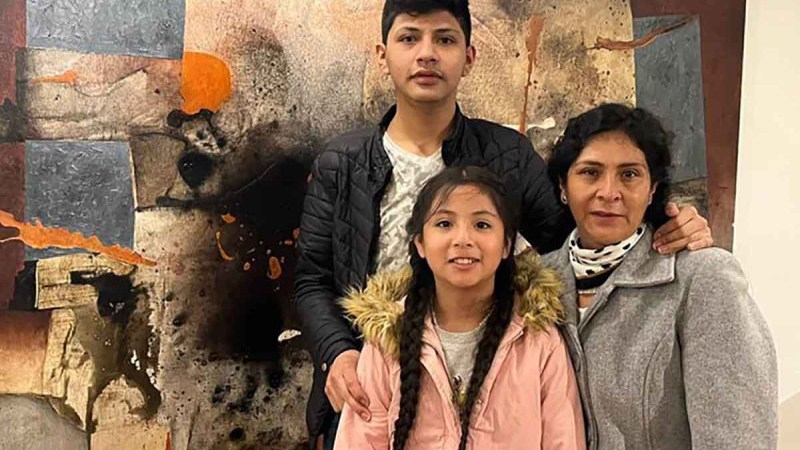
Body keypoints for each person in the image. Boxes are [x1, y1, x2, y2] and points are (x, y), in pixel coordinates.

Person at [293, 1, 712, 447]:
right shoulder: (342, 163)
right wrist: (338, 353)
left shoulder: (507, 155)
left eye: (445, 39)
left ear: (469, 57)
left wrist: (663, 220)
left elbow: (574, 241)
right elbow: (312, 279)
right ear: (382, 55)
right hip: (375, 389)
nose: (427, 53)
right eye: (409, 38)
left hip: (500, 388)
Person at [543, 103, 778, 449]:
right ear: (563, 186)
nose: (609, 192)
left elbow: (738, 436)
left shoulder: (701, 279)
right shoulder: (534, 283)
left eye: (629, 175)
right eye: (590, 172)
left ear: (652, 188)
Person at [334, 166, 585, 450]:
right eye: (444, 224)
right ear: (420, 243)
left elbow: (564, 440)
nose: (463, 239)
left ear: (506, 244)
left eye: (482, 225)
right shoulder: (387, 340)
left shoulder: (538, 340)